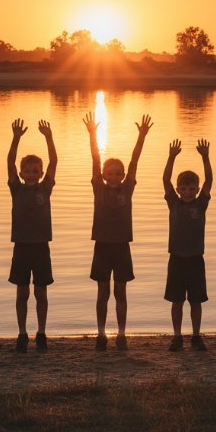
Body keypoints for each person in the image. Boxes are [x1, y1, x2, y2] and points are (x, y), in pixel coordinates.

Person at [83, 111, 152, 351]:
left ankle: (121, 335)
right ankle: (101, 335)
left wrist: (141, 136)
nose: (113, 177)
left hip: (122, 246)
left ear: (123, 176)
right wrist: (93, 134)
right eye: (109, 173)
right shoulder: (99, 189)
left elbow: (134, 160)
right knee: (103, 292)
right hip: (102, 246)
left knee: (120, 291)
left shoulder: (128, 189)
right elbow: (95, 158)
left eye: (118, 174)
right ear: (103, 175)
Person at [7, 118, 58, 353]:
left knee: (40, 292)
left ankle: (41, 332)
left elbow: (54, 161)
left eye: (35, 170)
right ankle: (21, 334)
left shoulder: (44, 188)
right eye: (27, 171)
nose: (31, 174)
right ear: (21, 173)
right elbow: (9, 161)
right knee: (22, 292)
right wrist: (16, 138)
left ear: (40, 172)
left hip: (41, 247)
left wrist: (48, 137)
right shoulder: (16, 188)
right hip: (21, 247)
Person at [162, 138, 213, 352]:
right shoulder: (173, 202)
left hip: (195, 260)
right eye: (184, 188)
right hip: (176, 259)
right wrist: (172, 156)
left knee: (196, 301)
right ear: (178, 189)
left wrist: (205, 157)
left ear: (197, 189)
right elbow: (165, 179)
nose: (188, 192)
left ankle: (196, 335)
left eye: (192, 189)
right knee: (177, 301)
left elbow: (210, 180)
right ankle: (177, 336)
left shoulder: (201, 204)